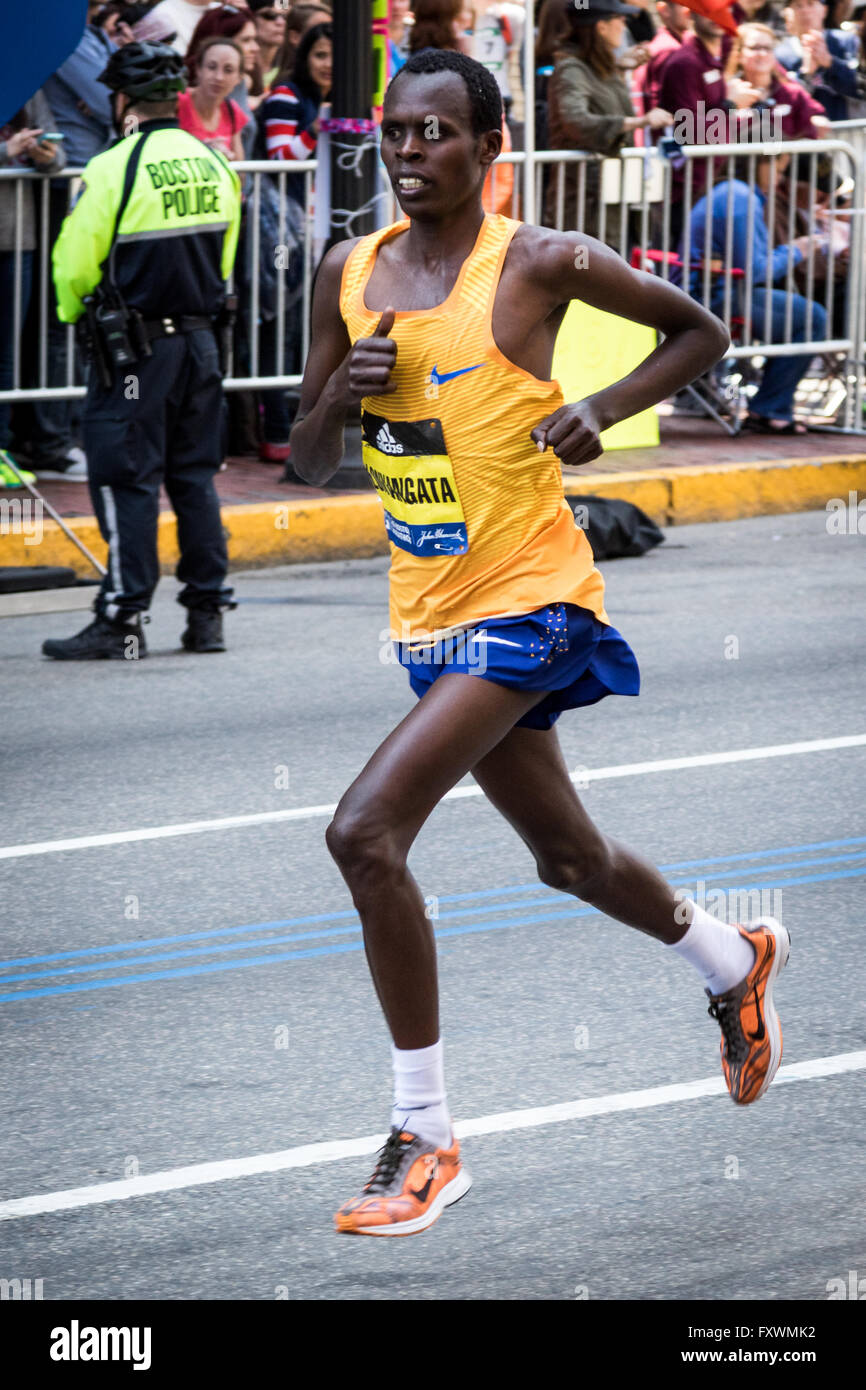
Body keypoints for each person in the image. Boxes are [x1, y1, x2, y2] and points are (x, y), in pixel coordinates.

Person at [289, 48, 789, 1238]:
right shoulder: (344, 273)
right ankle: (732, 960)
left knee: (363, 834)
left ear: (486, 145)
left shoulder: (538, 262)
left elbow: (698, 330)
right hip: (429, 615)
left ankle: (427, 1134)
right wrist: (336, 399)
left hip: (533, 602)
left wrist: (598, 411)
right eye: (394, 135)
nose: (409, 154)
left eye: (435, 134)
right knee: (565, 858)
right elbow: (306, 461)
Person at [43, 41, 242, 660]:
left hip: (133, 357)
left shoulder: (111, 167)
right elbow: (227, 260)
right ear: (173, 98)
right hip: (202, 346)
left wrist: (74, 314)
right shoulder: (215, 164)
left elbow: (74, 267)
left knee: (124, 477)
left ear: (122, 101)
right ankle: (206, 614)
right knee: (194, 477)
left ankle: (122, 616)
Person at [682, 151, 826, 433]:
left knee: (802, 313)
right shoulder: (740, 198)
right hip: (718, 297)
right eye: (778, 170)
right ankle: (771, 409)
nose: (779, 178)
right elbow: (755, 269)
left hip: (714, 290)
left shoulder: (732, 192)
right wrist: (798, 250)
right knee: (812, 318)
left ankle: (771, 405)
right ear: (761, 164)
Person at [545, 0, 671, 251]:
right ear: (601, 27)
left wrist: (620, 66)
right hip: (585, 200)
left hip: (612, 194)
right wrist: (638, 121)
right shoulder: (571, 69)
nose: (624, 25)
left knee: (613, 268)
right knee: (586, 280)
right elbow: (575, 121)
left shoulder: (602, 65)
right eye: (619, 19)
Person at [0, 100, 65, 488]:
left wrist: (45, 154)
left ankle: (2, 450)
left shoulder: (30, 84)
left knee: (7, 354)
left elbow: (60, 158)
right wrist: (6, 151)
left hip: (18, 237)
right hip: (16, 234)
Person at [726, 21, 828, 137]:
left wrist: (817, 120)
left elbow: (817, 116)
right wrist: (730, 105)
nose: (762, 54)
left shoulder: (791, 93)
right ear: (738, 54)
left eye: (768, 48)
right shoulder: (730, 93)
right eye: (755, 48)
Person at [775, 0, 860, 120]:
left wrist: (830, 63)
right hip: (804, 131)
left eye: (810, 4)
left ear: (824, 10)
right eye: (798, 6)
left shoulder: (846, 42)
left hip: (848, 126)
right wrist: (805, 74)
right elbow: (785, 102)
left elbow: (860, 87)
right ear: (788, 13)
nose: (805, 11)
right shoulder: (781, 54)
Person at [178, 36, 250, 159]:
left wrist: (228, 158)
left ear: (239, 78)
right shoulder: (177, 102)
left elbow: (241, 173)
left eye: (228, 70)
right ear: (198, 69)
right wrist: (204, 151)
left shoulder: (232, 110)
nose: (219, 77)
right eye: (211, 67)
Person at [633, 1, 692, 118]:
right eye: (683, 5)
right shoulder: (669, 50)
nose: (689, 11)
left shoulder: (675, 43)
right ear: (664, 10)